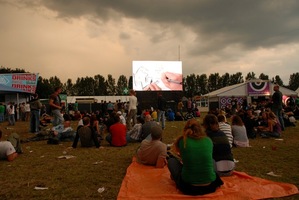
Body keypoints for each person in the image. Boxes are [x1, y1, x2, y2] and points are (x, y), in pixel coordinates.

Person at [167, 119, 223, 195]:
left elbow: (183, 158)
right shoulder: (208, 140)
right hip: (210, 186)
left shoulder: (183, 141)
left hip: (189, 187)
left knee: (171, 161)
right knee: (212, 160)